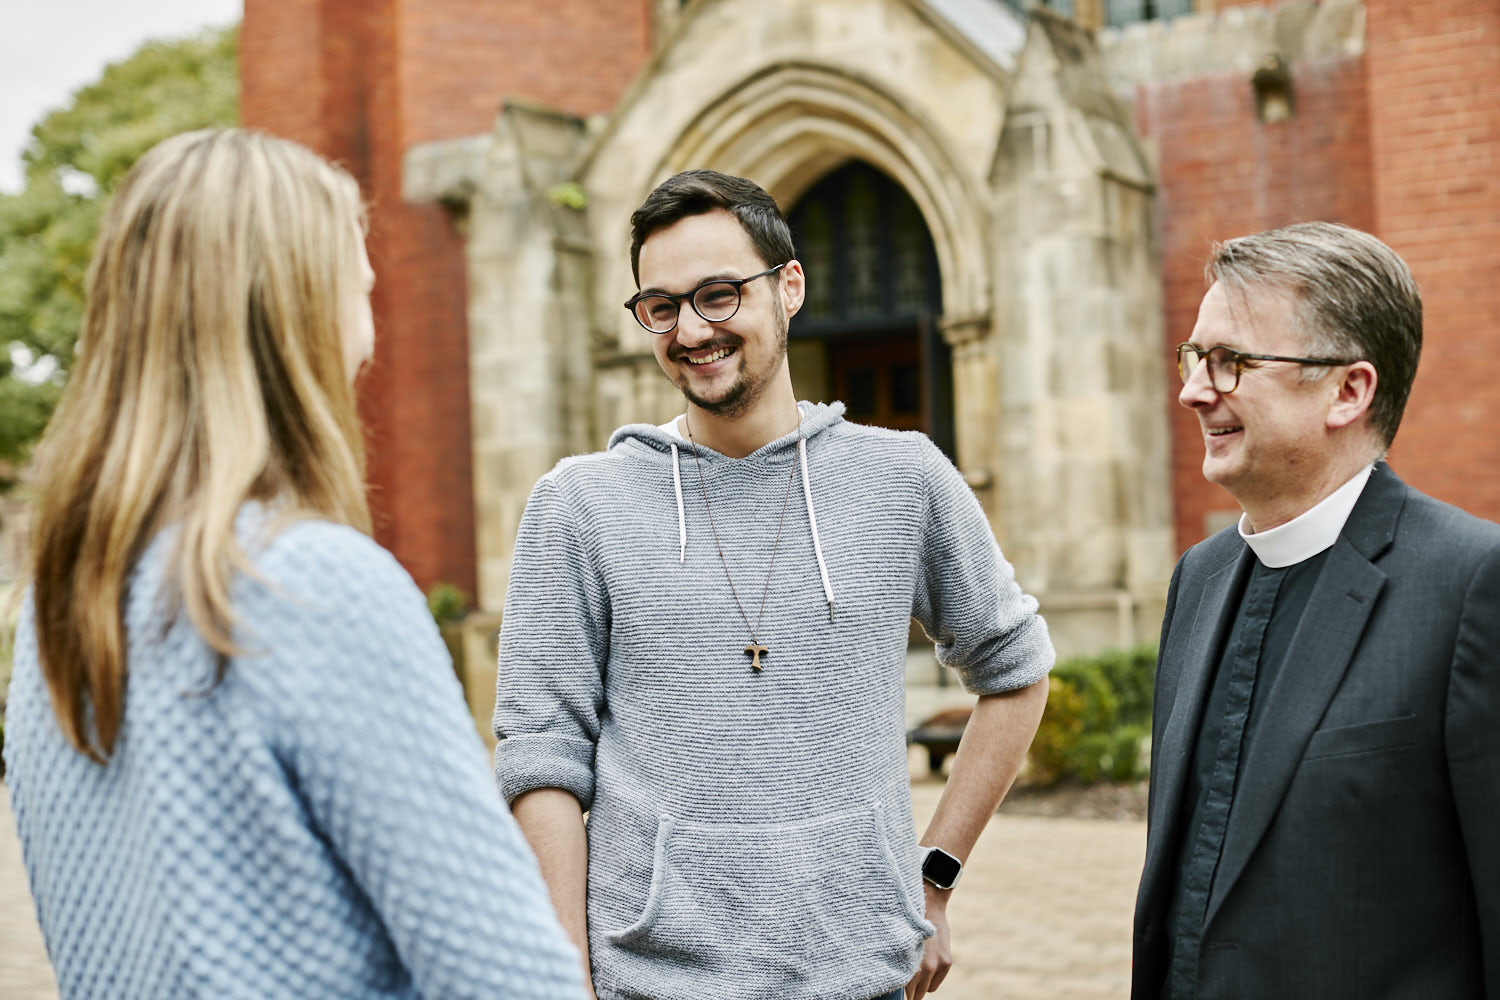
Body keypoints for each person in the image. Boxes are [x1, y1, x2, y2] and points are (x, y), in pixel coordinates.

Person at [2, 129, 583, 1000]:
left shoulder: (55, 613)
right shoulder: (313, 586)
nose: (369, 339)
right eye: (360, 293)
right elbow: (511, 981)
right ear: (298, 315)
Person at [493, 168, 1054, 1000]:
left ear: (788, 287)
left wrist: (932, 874)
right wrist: (563, 975)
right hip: (647, 983)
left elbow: (1017, 672)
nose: (691, 330)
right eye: (662, 306)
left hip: (861, 975)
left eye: (719, 295)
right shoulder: (579, 505)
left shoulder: (903, 479)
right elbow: (542, 754)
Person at [1132, 222, 1500, 998]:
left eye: (1231, 362)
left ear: (1348, 390)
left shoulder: (1471, 584)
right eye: (1196, 358)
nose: (1195, 390)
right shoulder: (1197, 580)